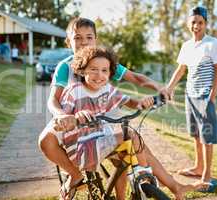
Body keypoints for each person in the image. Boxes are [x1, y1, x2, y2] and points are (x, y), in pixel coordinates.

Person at [47, 17, 199, 199]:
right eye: (77, 38)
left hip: (96, 119)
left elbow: (134, 79)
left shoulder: (102, 62)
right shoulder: (65, 67)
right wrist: (63, 116)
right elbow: (53, 100)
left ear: (95, 39)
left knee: (133, 147)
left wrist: (159, 88)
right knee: (45, 140)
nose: (84, 42)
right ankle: (74, 175)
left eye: (89, 37)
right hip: (69, 117)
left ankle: (169, 186)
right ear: (68, 41)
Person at [39, 46, 155, 200]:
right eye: (93, 69)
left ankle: (140, 177)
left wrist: (141, 103)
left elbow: (128, 101)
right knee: (130, 134)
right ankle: (143, 175)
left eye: (104, 70)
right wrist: (74, 117)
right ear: (82, 70)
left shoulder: (106, 89)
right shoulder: (74, 91)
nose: (99, 75)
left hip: (99, 138)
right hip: (83, 148)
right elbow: (64, 119)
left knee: (129, 145)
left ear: (110, 73)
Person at [167, 6, 217, 192]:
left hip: (204, 95)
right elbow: (181, 69)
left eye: (200, 22)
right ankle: (198, 166)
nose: (196, 26)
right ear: (188, 24)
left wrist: (213, 94)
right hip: (189, 94)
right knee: (195, 134)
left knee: (207, 135)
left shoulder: (212, 43)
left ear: (205, 24)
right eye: (193, 22)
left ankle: (206, 175)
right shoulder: (186, 46)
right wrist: (169, 87)